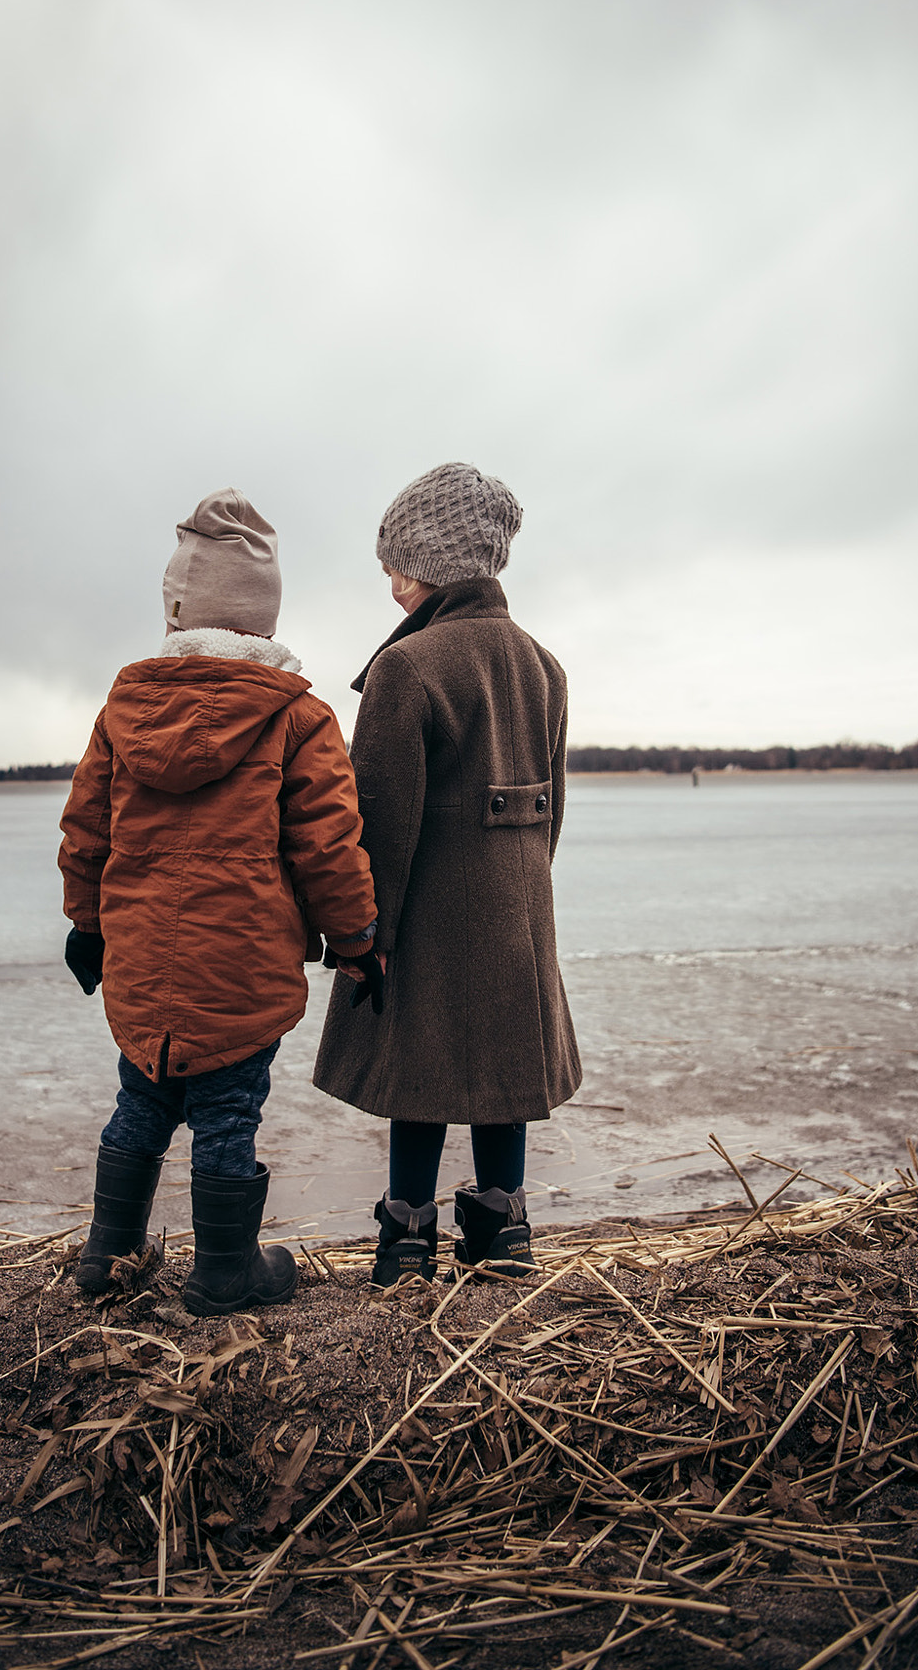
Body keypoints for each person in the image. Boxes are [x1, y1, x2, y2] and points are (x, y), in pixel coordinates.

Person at [59, 488, 377, 1316]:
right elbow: (328, 845)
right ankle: (225, 1270)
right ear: (263, 619)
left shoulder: (122, 710)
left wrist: (85, 924)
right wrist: (356, 938)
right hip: (240, 959)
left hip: (140, 956)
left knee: (143, 1094)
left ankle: (107, 1253)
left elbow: (86, 830)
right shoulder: (297, 716)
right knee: (227, 1113)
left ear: (175, 611)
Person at [313, 462, 582, 1284]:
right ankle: (502, 1229)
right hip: (517, 911)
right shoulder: (541, 664)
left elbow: (377, 824)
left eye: (396, 561)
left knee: (417, 1075)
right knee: (505, 1072)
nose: (389, 579)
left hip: (426, 914)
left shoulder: (409, 667)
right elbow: (554, 812)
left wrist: (364, 936)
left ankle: (404, 1240)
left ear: (435, 562)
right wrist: (521, 896)